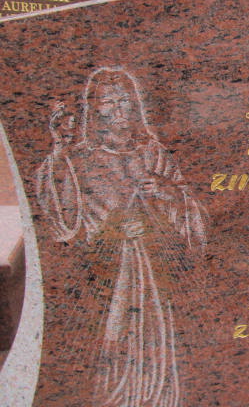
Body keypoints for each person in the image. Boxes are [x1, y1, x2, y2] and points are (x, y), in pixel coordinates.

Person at [37, 67, 208, 407]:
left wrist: (168, 192)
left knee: (156, 345)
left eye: (124, 100)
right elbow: (61, 219)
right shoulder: (78, 159)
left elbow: (193, 216)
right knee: (112, 344)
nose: (118, 109)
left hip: (155, 277)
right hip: (106, 280)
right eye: (108, 102)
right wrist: (58, 150)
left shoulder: (153, 153)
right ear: (94, 109)